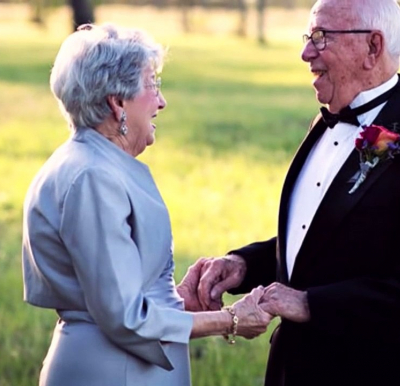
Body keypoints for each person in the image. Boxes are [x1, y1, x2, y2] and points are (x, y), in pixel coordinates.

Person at [192, 0, 400, 385]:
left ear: (372, 47)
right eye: (309, 36)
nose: (306, 52)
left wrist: (310, 304)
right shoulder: (325, 123)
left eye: (321, 37)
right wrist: (244, 265)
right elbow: (325, 238)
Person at [21, 23, 272, 386]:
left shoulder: (96, 163)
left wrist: (177, 300)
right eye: (152, 85)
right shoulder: (93, 177)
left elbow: (115, 291)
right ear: (117, 102)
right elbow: (125, 317)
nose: (161, 101)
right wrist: (231, 319)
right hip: (112, 372)